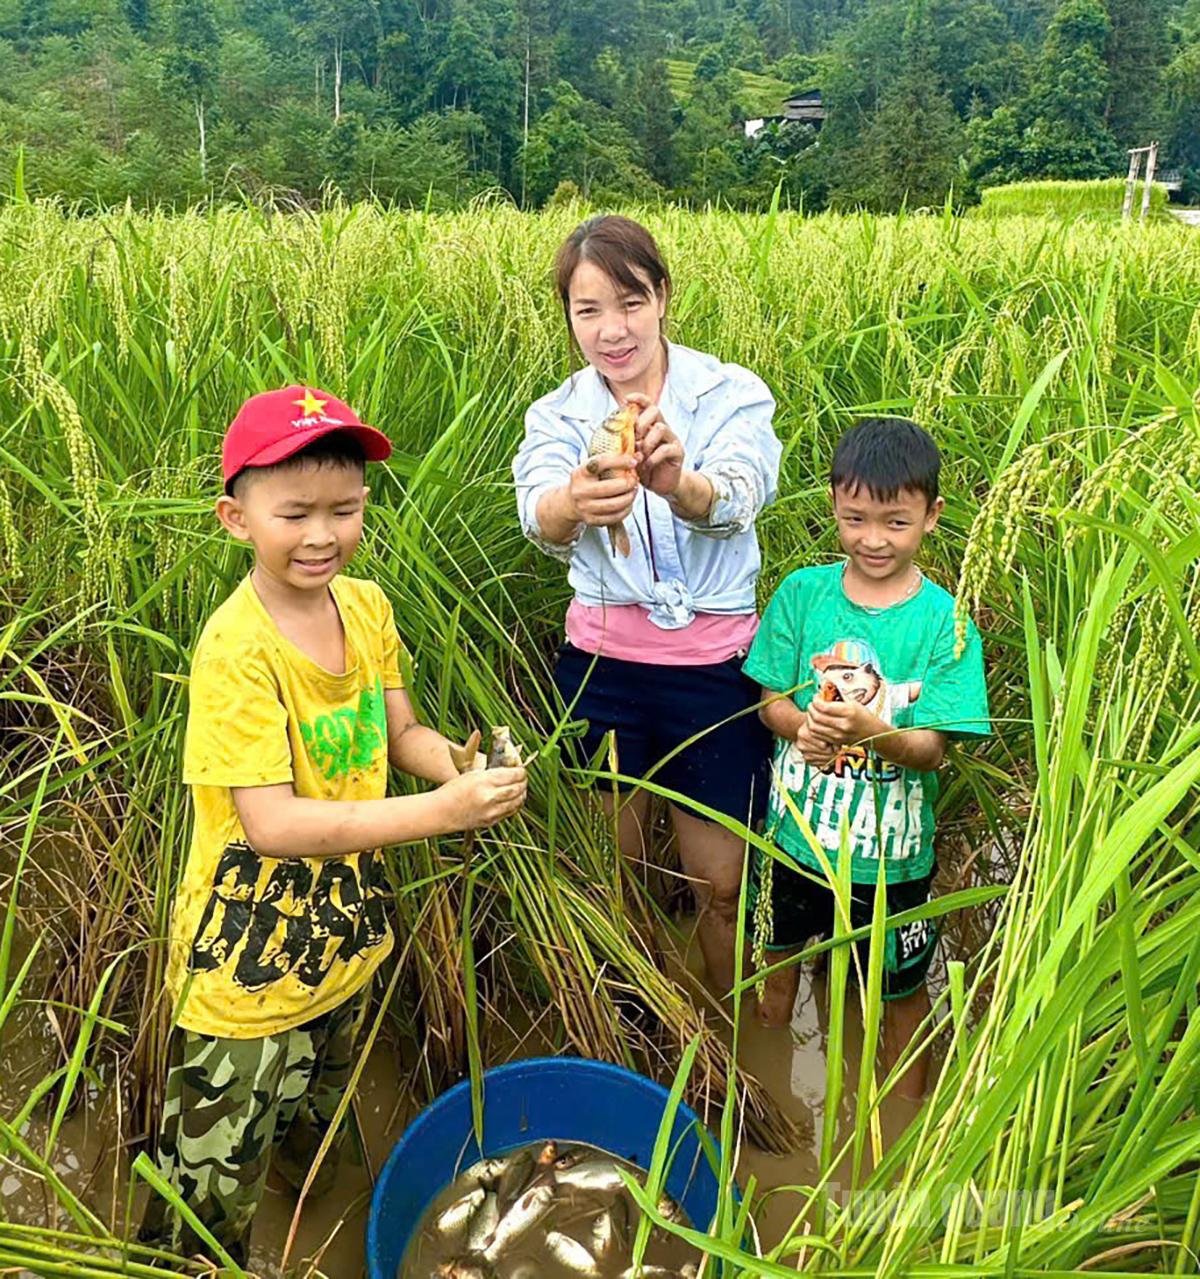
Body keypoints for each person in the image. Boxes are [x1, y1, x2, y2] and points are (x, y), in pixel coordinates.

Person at [140, 386, 526, 1263]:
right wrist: (442, 812)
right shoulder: (236, 649)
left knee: (314, 1139)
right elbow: (269, 822)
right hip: (244, 968)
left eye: (345, 509)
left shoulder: (368, 607)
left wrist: (458, 767)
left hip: (342, 937)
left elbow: (401, 732)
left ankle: (311, 1216)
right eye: (296, 513)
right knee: (204, 1202)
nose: (323, 535)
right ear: (236, 518)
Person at [513, 215, 781, 994]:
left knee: (722, 885)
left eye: (628, 302)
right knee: (611, 872)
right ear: (568, 317)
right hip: (603, 670)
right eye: (587, 310)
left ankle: (728, 1033)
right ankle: (636, 1017)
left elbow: (738, 495)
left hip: (713, 673)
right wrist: (575, 500)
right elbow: (538, 516)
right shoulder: (558, 416)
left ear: (662, 295)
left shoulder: (730, 393)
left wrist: (678, 484)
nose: (611, 330)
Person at [744, 416, 989, 1099]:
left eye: (895, 521)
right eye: (855, 518)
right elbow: (770, 703)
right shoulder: (802, 594)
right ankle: (772, 1104)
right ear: (833, 506)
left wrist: (864, 730)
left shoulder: (948, 621)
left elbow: (931, 750)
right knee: (777, 970)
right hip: (796, 841)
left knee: (901, 997)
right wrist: (804, 727)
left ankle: (904, 1133)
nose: (873, 539)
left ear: (931, 517)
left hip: (893, 861)